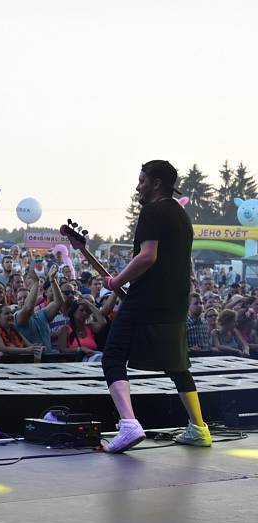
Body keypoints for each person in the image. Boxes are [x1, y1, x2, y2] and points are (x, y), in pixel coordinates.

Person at [101, 160, 211, 452]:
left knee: (112, 356)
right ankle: (199, 428)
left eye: (141, 180)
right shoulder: (181, 216)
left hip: (146, 298)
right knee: (177, 364)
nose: (138, 186)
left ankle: (128, 425)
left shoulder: (152, 211)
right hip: (175, 302)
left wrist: (117, 282)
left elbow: (148, 256)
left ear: (156, 183)